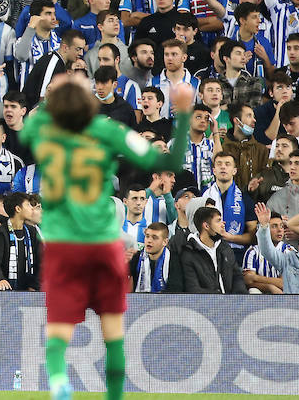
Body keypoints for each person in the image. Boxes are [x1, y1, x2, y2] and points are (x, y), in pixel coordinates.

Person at [19, 78, 194, 400]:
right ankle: (113, 397)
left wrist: (54, 94)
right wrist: (182, 114)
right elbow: (169, 163)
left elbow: (27, 126)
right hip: (101, 244)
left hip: (62, 246)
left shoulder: (44, 130)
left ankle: (59, 382)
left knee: (58, 330)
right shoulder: (108, 131)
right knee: (112, 333)